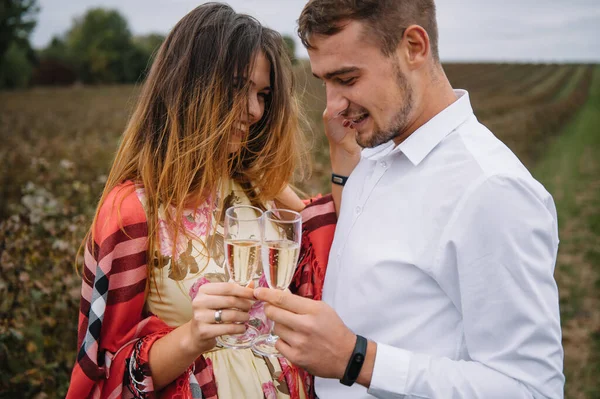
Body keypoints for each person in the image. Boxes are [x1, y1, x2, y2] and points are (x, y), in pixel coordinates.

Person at [255, 0, 565, 398]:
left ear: (414, 47)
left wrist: (357, 359)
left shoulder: (490, 190)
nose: (332, 105)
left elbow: (530, 389)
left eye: (347, 79)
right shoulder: (379, 148)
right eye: (324, 82)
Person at [66, 3, 310, 398]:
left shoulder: (253, 187)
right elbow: (106, 373)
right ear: (187, 87)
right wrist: (194, 336)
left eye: (262, 94)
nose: (254, 110)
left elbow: (336, 255)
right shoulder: (131, 211)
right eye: (236, 88)